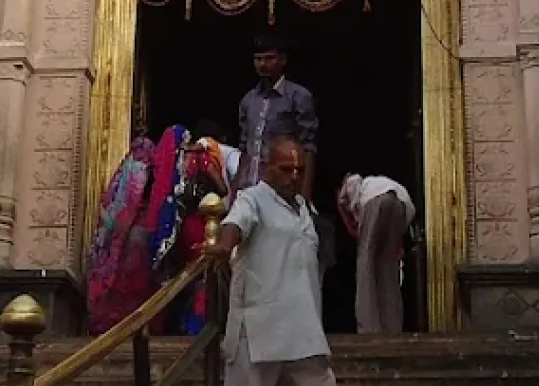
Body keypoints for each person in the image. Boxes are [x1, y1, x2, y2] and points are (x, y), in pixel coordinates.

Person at [213, 138, 353, 386]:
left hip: (303, 323)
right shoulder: (252, 198)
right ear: (267, 167)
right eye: (285, 169)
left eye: (299, 170)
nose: (293, 176)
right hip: (258, 321)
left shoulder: (304, 208)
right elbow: (234, 225)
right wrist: (223, 245)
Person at [85, 126, 181, 334]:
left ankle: (125, 326)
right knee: (134, 279)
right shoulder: (143, 166)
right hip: (137, 231)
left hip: (128, 233)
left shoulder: (131, 168)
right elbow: (130, 199)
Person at [149, 122, 232, 334]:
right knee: (206, 272)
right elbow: (222, 189)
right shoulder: (203, 160)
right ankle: (200, 325)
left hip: (183, 226)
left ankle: (184, 325)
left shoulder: (176, 164)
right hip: (203, 223)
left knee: (188, 274)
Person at [237, 35, 319, 196]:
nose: (262, 64)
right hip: (248, 188)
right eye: (258, 59)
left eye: (269, 58)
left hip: (280, 189)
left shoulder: (298, 96)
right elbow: (245, 149)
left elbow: (308, 147)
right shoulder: (248, 100)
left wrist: (305, 194)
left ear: (283, 60)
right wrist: (235, 190)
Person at [337, 172, 416, 335]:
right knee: (389, 269)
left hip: (375, 201)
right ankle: (392, 326)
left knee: (366, 264)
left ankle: (368, 328)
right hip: (402, 203)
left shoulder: (355, 183)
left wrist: (346, 218)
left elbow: (345, 199)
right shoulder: (383, 182)